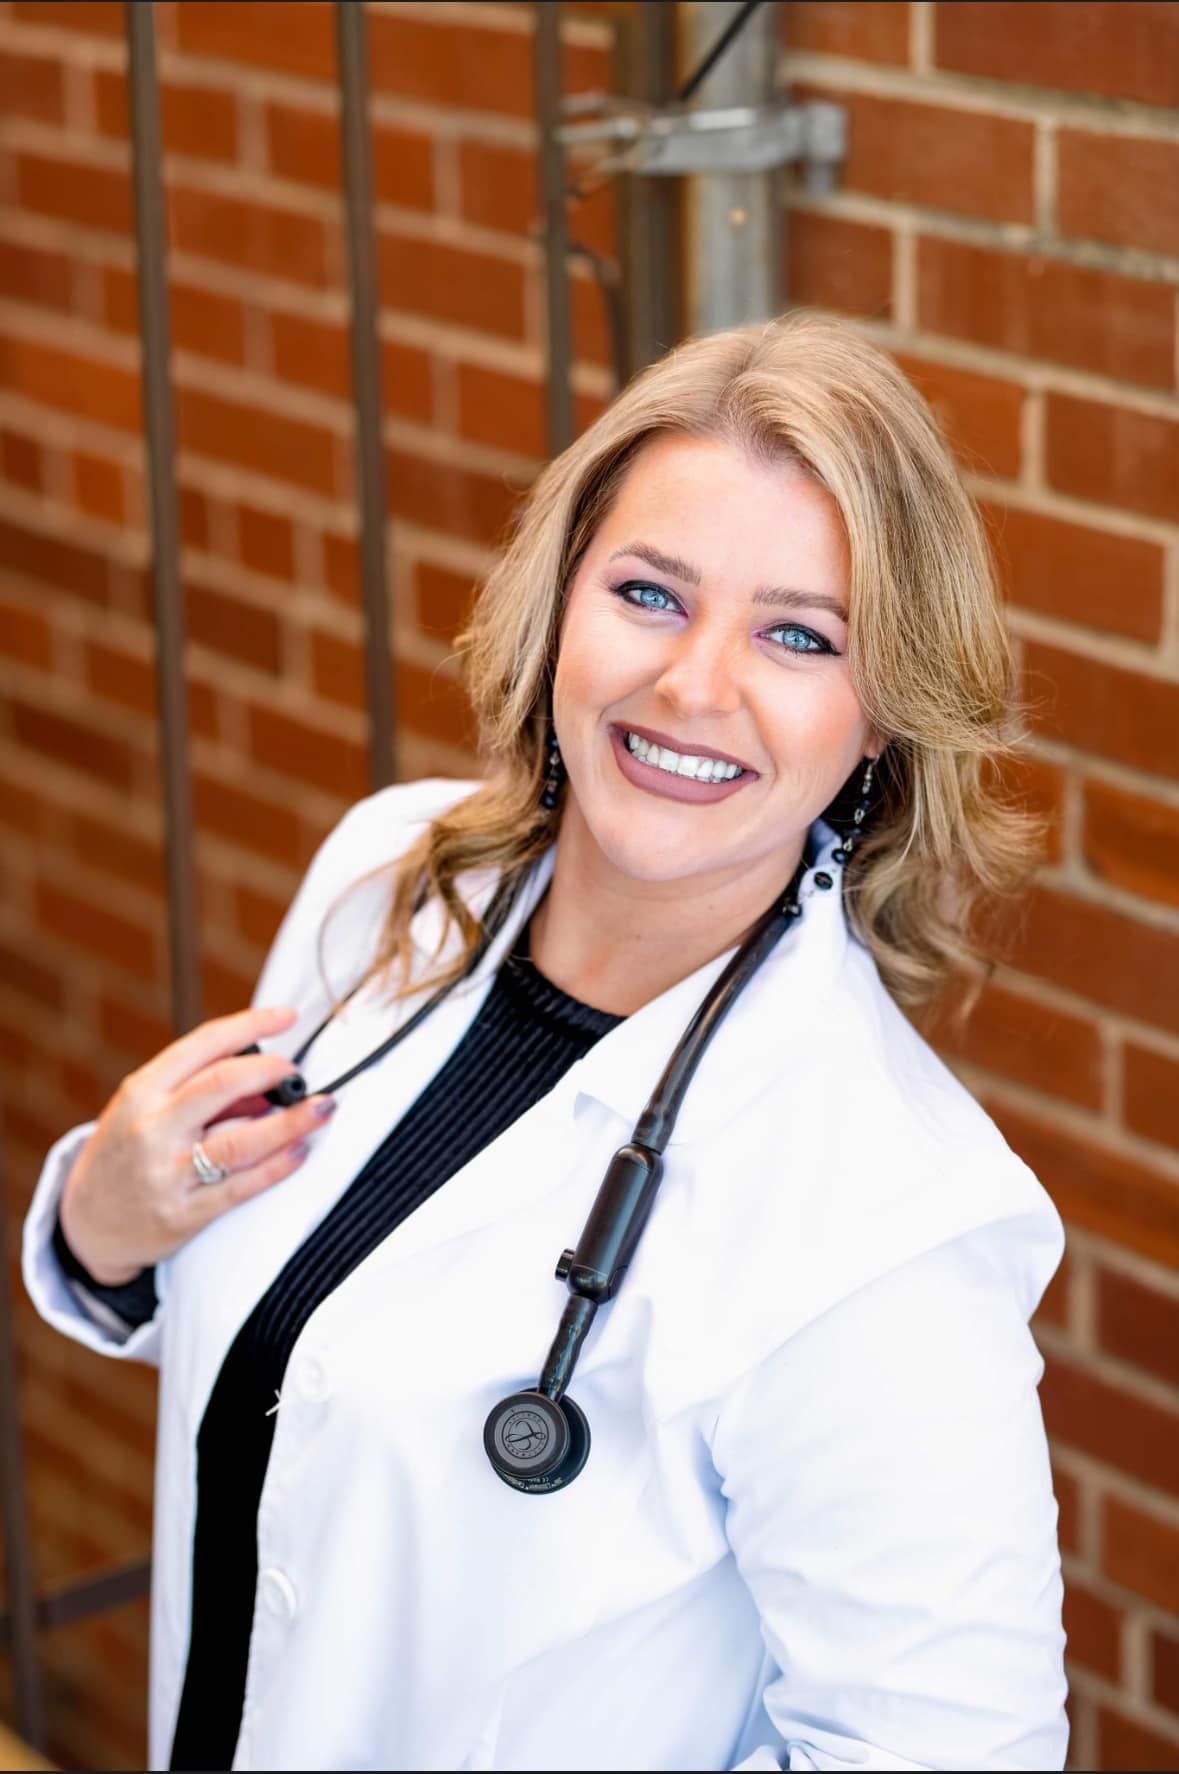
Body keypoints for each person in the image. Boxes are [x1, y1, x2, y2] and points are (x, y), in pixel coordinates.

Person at [24, 314, 1068, 1772]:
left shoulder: (887, 1218)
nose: (695, 684)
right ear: (561, 601)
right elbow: (308, 1376)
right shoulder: (389, 880)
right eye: (649, 591)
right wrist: (103, 1225)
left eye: (796, 633)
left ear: (885, 710)